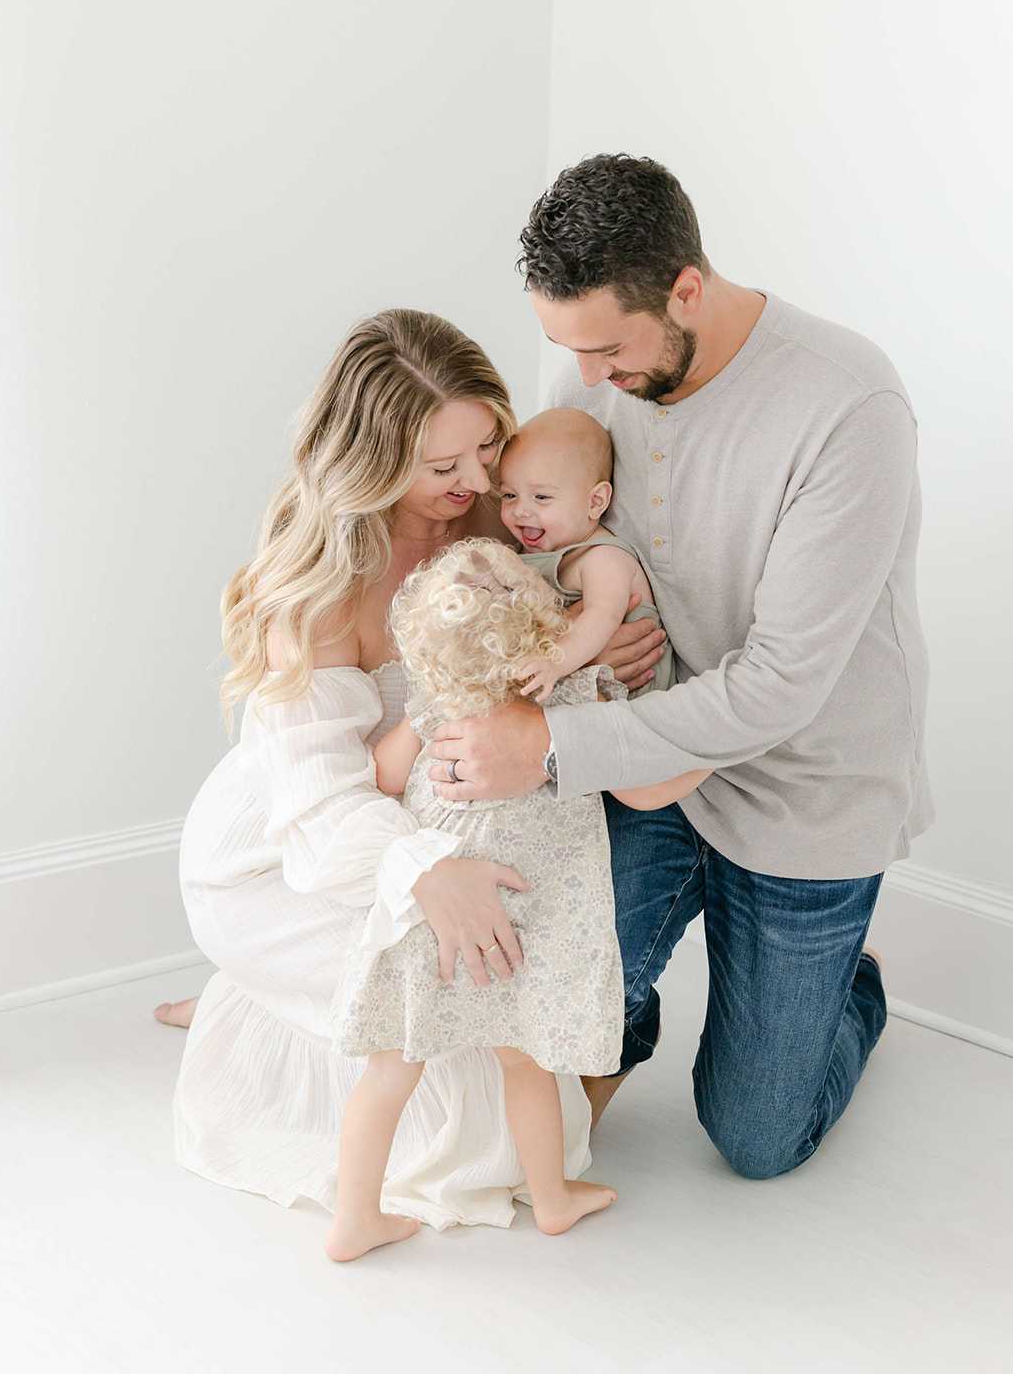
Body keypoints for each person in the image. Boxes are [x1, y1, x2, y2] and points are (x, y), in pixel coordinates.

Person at [427, 153, 932, 1180]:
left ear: (685, 290)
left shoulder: (846, 405)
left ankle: (853, 982)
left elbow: (781, 683)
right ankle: (634, 1005)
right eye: (565, 348)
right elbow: (552, 540)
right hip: (646, 763)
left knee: (754, 1140)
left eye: (605, 348)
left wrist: (549, 745)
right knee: (552, 1002)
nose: (582, 379)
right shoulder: (602, 378)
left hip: (799, 785)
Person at [170, 309, 641, 1230]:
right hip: (295, 847)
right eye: (442, 469)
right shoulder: (315, 594)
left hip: (435, 813)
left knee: (500, 1048)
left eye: (488, 448)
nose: (478, 486)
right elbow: (323, 807)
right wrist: (427, 875)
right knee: (470, 1068)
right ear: (374, 466)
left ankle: (270, 1000)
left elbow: (527, 681)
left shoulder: (510, 529)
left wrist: (590, 663)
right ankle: (256, 983)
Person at [327, 539, 628, 1260]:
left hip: (435, 920)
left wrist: (420, 723)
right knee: (526, 1063)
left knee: (388, 1071)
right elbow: (638, 777)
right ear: (539, 626)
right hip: (524, 927)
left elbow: (381, 779)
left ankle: (353, 1218)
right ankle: (550, 1198)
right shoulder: (576, 701)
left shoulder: (432, 709)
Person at [497, 407, 675, 701]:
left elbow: (602, 615)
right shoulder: (527, 551)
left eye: (542, 497)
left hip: (633, 706)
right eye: (509, 495)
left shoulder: (603, 557)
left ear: (595, 502)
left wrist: (555, 661)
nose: (521, 510)